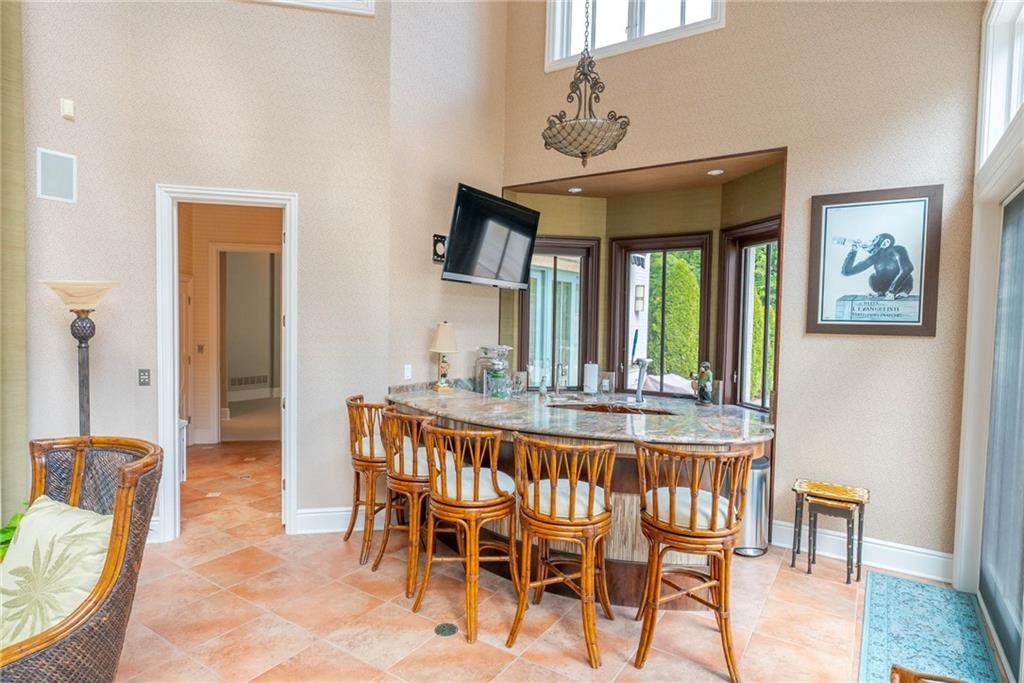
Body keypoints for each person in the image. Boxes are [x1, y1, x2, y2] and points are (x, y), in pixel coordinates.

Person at [840, 232, 914, 299]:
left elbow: (907, 269)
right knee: (873, 277)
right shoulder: (874, 257)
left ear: (885, 243)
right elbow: (847, 272)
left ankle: (901, 292)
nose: (871, 242)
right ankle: (881, 293)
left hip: (902, 286)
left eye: (874, 240)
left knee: (907, 275)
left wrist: (892, 291)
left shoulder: (897, 250)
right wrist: (853, 252)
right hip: (884, 289)